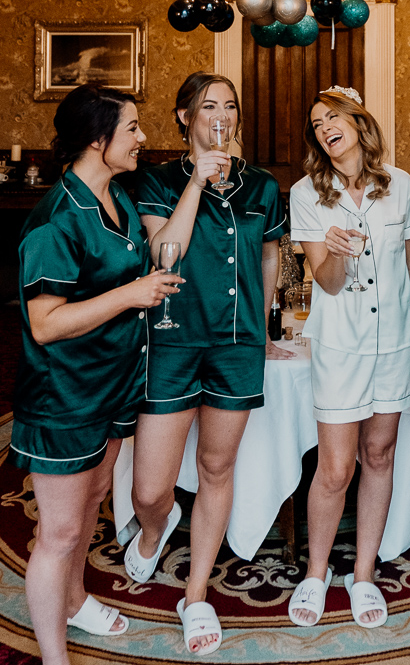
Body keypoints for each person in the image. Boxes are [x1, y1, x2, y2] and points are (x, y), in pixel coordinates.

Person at [10, 85, 180, 665]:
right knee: (57, 533)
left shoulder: (118, 197)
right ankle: (55, 659)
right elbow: (45, 324)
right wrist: (132, 294)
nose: (143, 138)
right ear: (95, 138)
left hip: (112, 384)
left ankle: (77, 598)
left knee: (95, 501)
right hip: (64, 396)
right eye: (132, 128)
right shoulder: (54, 220)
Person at [125, 72, 289, 656]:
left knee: (218, 469)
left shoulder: (263, 186)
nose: (221, 115)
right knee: (151, 488)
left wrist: (264, 322)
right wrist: (197, 180)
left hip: (237, 344)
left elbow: (269, 255)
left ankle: (195, 594)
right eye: (208, 106)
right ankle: (151, 529)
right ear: (184, 117)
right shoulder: (155, 180)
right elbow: (160, 247)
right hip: (172, 338)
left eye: (230, 106)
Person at [288, 86, 410, 630]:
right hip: (340, 346)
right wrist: (338, 254)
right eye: (316, 124)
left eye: (332, 117)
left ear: (359, 123)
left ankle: (362, 573)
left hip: (396, 340)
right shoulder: (305, 193)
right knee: (336, 467)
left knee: (381, 454)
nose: (323, 128)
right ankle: (316, 574)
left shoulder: (403, 185)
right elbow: (324, 279)